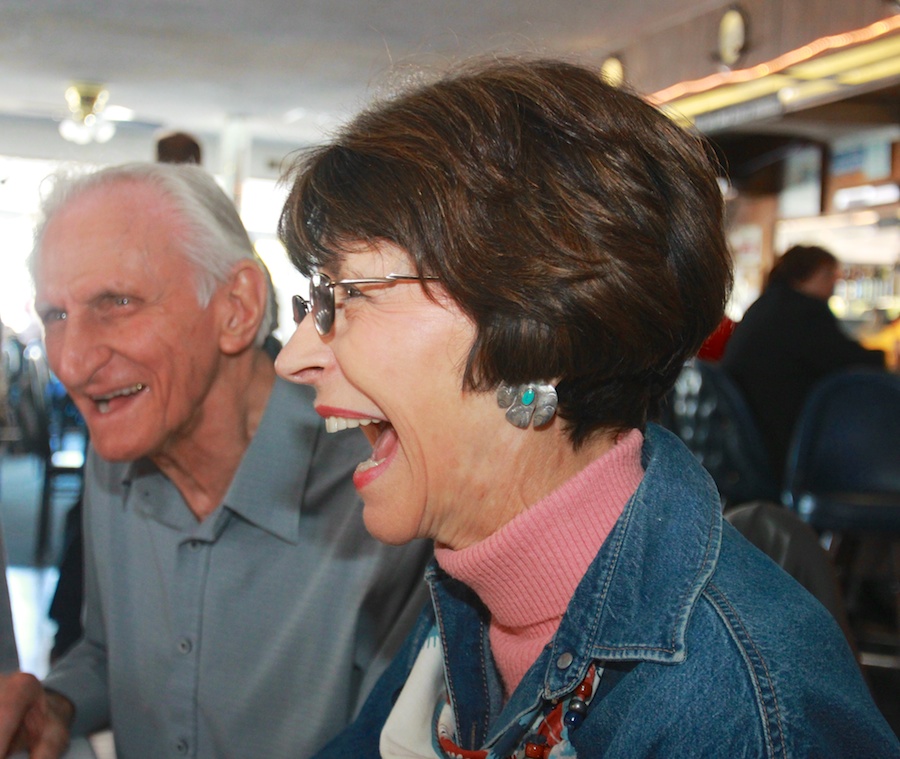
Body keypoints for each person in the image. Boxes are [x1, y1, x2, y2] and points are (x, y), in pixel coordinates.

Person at [273, 59, 899, 757]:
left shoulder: (740, 713)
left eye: (346, 295)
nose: (293, 356)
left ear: (533, 328)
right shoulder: (475, 593)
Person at [0, 162, 431, 758]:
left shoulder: (383, 486)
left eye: (117, 303)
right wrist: (56, 706)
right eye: (55, 315)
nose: (71, 364)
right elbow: (108, 652)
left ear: (237, 306)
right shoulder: (117, 455)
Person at [722, 244, 889, 485]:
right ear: (809, 275)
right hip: (784, 439)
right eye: (830, 275)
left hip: (748, 436)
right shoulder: (802, 311)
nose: (834, 284)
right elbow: (847, 360)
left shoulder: (766, 304)